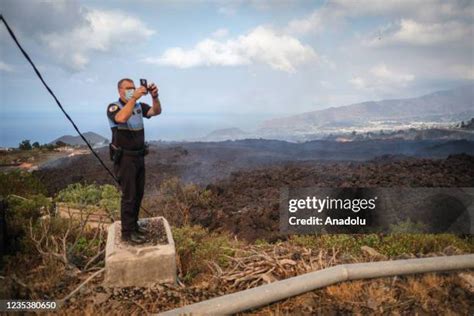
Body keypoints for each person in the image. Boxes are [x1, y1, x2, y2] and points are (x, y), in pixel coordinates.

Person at [106, 78, 162, 244]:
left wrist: (155, 96)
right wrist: (134, 98)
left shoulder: (138, 106)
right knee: (129, 195)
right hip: (125, 158)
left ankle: (134, 226)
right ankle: (127, 232)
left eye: (133, 88)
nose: (131, 90)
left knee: (138, 193)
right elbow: (121, 118)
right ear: (119, 91)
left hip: (139, 156)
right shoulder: (114, 107)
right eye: (127, 88)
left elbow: (156, 111)